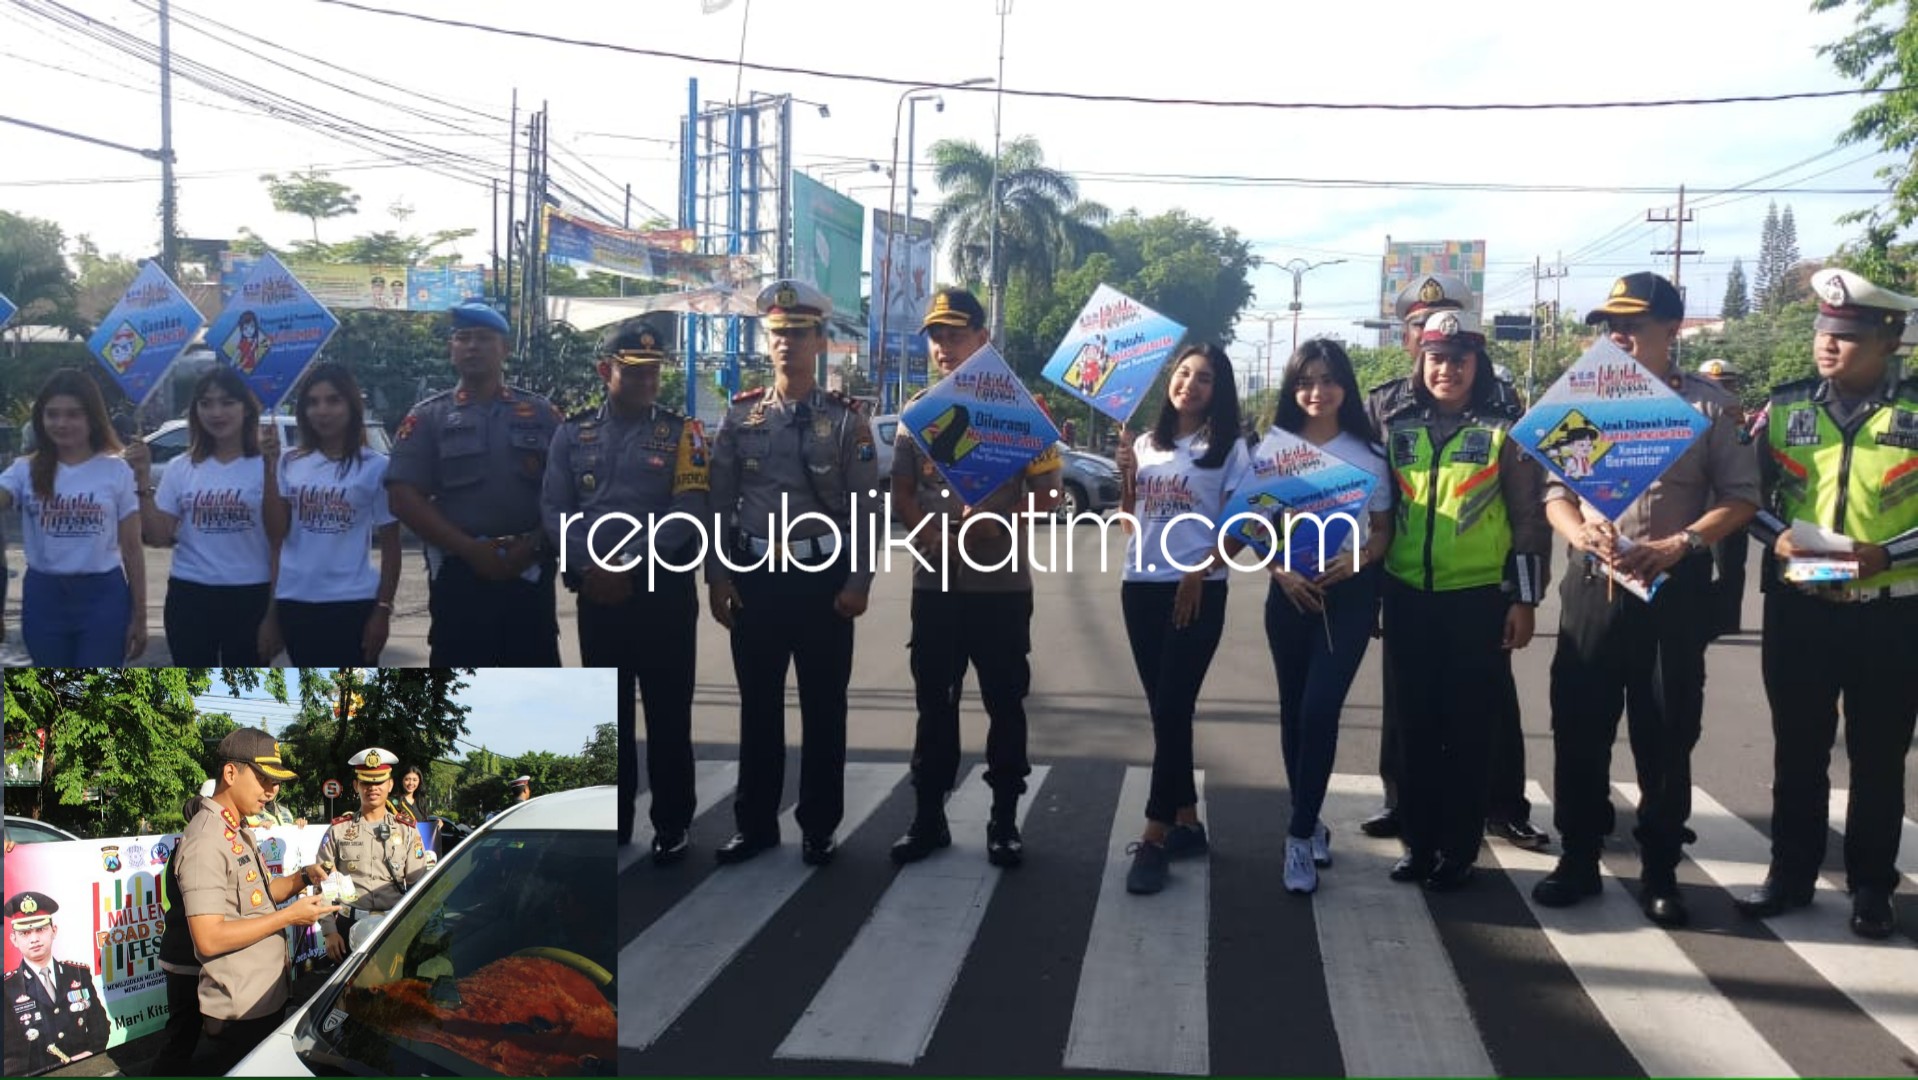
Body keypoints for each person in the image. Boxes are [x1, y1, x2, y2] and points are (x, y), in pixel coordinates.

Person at [1533, 272, 1760, 927]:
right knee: (1578, 727)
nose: (1619, 336)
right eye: (1612, 325)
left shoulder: (1711, 408)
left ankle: (1660, 870)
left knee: (1665, 735)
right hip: (1595, 585)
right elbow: (1556, 495)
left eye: (1633, 324)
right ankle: (1577, 857)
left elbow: (1740, 497)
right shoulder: (1589, 403)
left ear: (1674, 329)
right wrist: (1580, 531)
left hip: (1670, 586)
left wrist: (1681, 543)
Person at [1734, 268, 1918, 940]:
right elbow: (1745, 495)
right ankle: (1790, 874)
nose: (1828, 346)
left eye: (1845, 336)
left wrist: (1886, 555)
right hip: (1802, 609)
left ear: (1887, 341)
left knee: (1877, 754)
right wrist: (1775, 537)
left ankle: (1872, 886)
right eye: (1822, 332)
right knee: (1799, 748)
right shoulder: (1784, 409)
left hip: (1891, 610)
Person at [1360, 279, 1547, 850]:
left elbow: (1528, 515)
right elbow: (1371, 501)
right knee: (1409, 710)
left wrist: (1524, 598)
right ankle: (1411, 815)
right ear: (1413, 345)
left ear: (1475, 359)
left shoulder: (1500, 419)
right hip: (1407, 587)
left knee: (1482, 713)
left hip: (1477, 596)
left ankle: (1496, 811)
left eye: (1457, 356)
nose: (1443, 364)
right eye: (1429, 345)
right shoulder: (1390, 411)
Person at [705, 278, 880, 867]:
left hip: (821, 578)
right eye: (778, 334)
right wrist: (718, 576)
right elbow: (719, 505)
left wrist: (859, 582)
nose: (787, 345)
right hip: (755, 576)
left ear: (821, 341)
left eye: (799, 335)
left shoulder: (846, 419)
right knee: (758, 708)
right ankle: (754, 824)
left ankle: (818, 825)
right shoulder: (740, 416)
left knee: (824, 708)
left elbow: (864, 511)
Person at [888, 288, 1061, 869]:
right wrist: (929, 534)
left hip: (1000, 588)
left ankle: (1004, 819)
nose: (943, 347)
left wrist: (997, 522)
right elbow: (903, 492)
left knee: (1004, 706)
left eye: (955, 335)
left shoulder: (1020, 412)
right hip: (934, 586)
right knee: (933, 705)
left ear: (983, 340)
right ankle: (928, 817)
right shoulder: (918, 412)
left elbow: (1051, 497)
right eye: (936, 336)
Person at [542, 323, 708, 861]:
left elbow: (690, 511)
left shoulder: (685, 434)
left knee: (667, 712)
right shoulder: (572, 434)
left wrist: (629, 566)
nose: (645, 381)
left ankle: (673, 822)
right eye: (632, 370)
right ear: (605, 370)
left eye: (652, 372)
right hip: (597, 592)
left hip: (660, 590)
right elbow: (555, 510)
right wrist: (592, 564)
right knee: (607, 715)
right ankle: (613, 821)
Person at [1115, 344, 1250, 895]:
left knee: (1172, 706)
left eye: (1205, 379)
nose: (1190, 385)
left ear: (1219, 391)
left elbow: (1244, 524)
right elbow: (1131, 522)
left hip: (1197, 591)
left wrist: (1204, 567)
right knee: (1166, 712)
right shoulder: (1146, 444)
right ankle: (1188, 823)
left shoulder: (1231, 450)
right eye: (1184, 373)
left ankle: (1152, 837)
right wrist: (1127, 477)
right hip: (1140, 588)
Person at [1262, 340, 1395, 894]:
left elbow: (1385, 531)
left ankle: (1296, 838)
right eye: (1305, 381)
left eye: (1328, 379)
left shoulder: (1369, 453)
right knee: (1294, 714)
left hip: (1349, 596)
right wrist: (1279, 570)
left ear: (1346, 385)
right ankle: (1309, 817)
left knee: (1319, 711)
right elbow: (1252, 525)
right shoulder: (1272, 449)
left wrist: (1357, 559)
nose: (1317, 391)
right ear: (1293, 389)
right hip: (1289, 595)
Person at [386, 300, 563, 666]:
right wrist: (469, 549)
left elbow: (567, 492)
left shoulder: (543, 415)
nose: (472, 346)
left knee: (535, 683)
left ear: (505, 350)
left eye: (484, 338)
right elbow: (403, 497)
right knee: (457, 694)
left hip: (528, 572)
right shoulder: (428, 418)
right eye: (463, 338)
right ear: (451, 349)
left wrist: (533, 546)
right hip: (459, 575)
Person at [177, 729, 337, 1073]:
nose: (273, 789)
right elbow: (208, 938)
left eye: (276, 780)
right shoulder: (206, 839)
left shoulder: (237, 829)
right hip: (240, 1009)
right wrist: (288, 918)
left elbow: (260, 896)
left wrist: (304, 877)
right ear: (230, 773)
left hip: (263, 997)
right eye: (263, 778)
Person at [124, 366, 277, 664]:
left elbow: (279, 540)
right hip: (190, 594)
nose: (216, 412)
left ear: (247, 408)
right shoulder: (181, 466)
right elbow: (159, 536)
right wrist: (142, 479)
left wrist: (275, 613)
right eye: (206, 403)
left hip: (251, 595)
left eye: (227, 402)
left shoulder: (267, 465)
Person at [0, 369, 145, 665]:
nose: (61, 423)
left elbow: (132, 549)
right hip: (44, 597)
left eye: (73, 414)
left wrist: (139, 617)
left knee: (91, 704)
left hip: (103, 598)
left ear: (92, 418)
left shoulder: (116, 471)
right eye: (52, 414)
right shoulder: (23, 470)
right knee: (50, 701)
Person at [260, 363, 401, 665]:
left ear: (351, 404)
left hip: (352, 603)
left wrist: (383, 610)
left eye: (333, 400)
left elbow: (391, 546)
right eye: (312, 402)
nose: (322, 411)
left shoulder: (376, 466)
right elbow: (276, 534)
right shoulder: (289, 462)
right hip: (296, 601)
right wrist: (269, 468)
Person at [314, 747, 436, 961]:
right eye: (366, 782)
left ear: (389, 785)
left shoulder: (406, 830)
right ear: (356, 786)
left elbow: (418, 885)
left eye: (379, 781)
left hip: (393, 926)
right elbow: (324, 883)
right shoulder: (339, 830)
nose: (373, 788)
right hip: (348, 927)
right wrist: (329, 931)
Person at [3, 891, 108, 1075]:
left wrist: (90, 1054)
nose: (34, 939)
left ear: (54, 931)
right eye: (25, 933)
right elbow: (9, 1056)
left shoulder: (77, 973)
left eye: (40, 929)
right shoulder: (7, 988)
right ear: (14, 939)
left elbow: (100, 1026)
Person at [149, 784, 212, 1077]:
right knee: (181, 1038)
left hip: (188, 956)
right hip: (188, 959)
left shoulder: (187, 846)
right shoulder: (197, 848)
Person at [1696, 357, 1753, 638]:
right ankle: (1702, 617)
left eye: (1726, 385)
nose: (1720, 390)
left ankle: (1729, 618)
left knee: (1731, 568)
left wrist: (1740, 423)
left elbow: (1746, 451)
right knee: (1698, 567)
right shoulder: (1690, 413)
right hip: (1697, 508)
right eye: (1712, 384)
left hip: (1730, 508)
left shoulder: (1738, 417)